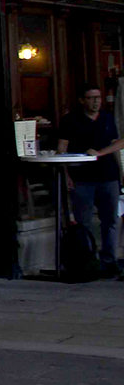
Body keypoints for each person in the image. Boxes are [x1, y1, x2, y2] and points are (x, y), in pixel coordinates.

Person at [56, 84, 122, 277]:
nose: (96, 102)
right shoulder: (71, 120)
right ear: (82, 100)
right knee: (83, 222)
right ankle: (86, 262)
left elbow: (116, 144)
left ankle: (109, 262)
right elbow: (62, 149)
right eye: (92, 98)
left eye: (98, 98)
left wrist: (119, 170)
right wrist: (66, 174)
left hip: (108, 176)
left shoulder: (108, 118)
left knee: (110, 220)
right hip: (82, 178)